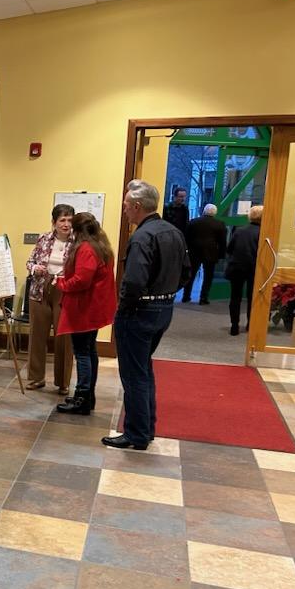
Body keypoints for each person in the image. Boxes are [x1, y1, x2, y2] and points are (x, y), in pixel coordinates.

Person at [103, 180, 190, 450]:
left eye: (127, 206)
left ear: (138, 206)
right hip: (164, 309)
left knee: (134, 375)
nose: (125, 211)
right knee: (144, 370)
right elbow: (186, 272)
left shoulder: (142, 237)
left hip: (139, 311)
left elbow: (134, 281)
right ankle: (146, 427)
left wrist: (124, 308)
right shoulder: (173, 232)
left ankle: (137, 434)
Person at [54, 213, 117, 415]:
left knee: (82, 353)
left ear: (78, 230)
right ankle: (88, 396)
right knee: (90, 351)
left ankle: (82, 398)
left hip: (84, 309)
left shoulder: (86, 249)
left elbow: (82, 280)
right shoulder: (101, 245)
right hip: (95, 308)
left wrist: (61, 283)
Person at [23, 204, 74, 394]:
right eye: (62, 220)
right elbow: (30, 262)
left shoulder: (77, 242)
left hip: (64, 292)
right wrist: (34, 268)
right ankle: (36, 378)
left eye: (69, 220)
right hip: (40, 290)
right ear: (54, 222)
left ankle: (63, 382)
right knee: (37, 335)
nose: (66, 224)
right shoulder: (44, 239)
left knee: (63, 338)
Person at [225, 205, 262, 336]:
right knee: (253, 298)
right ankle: (250, 325)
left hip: (237, 267)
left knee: (235, 297)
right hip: (254, 268)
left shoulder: (239, 231)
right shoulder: (263, 233)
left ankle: (234, 325)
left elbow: (229, 249)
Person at [181, 203, 227, 304]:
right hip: (211, 252)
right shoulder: (220, 224)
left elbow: (186, 237)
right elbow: (222, 241)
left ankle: (186, 296)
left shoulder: (193, 222)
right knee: (208, 276)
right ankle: (203, 298)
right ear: (215, 213)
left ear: (204, 211)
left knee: (191, 275)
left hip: (194, 251)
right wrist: (221, 254)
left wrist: (186, 251)